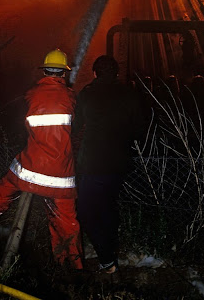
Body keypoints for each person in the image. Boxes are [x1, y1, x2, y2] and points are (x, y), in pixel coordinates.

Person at [0, 49, 83, 269]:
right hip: (60, 175)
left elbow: (19, 123)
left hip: (29, 169)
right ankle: (70, 267)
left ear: (44, 71)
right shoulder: (71, 97)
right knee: (67, 220)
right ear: (63, 74)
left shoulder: (31, 94)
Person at [73, 55, 145, 274]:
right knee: (108, 206)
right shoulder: (131, 95)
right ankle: (111, 248)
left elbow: (74, 127)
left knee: (85, 210)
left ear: (95, 73)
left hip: (93, 163)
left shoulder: (87, 94)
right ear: (116, 74)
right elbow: (140, 130)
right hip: (120, 163)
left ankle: (106, 259)